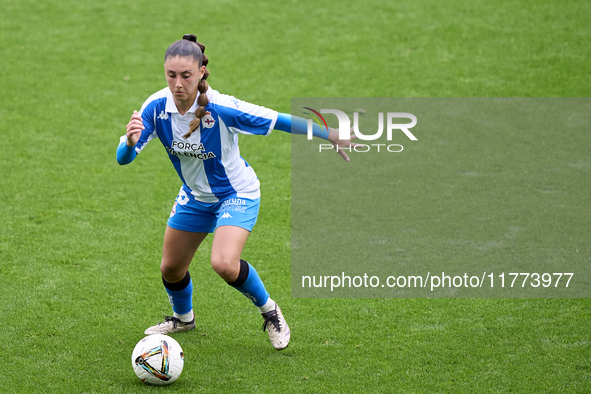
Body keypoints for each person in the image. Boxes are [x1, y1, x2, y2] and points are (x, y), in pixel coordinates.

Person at [117, 34, 359, 350]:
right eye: (171, 75)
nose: (178, 83)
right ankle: (183, 318)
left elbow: (277, 120)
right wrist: (130, 142)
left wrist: (329, 133)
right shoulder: (155, 108)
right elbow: (125, 158)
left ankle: (270, 311)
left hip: (237, 194)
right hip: (195, 196)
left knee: (224, 264)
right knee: (171, 268)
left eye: (186, 75)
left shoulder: (222, 108)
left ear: (201, 72)